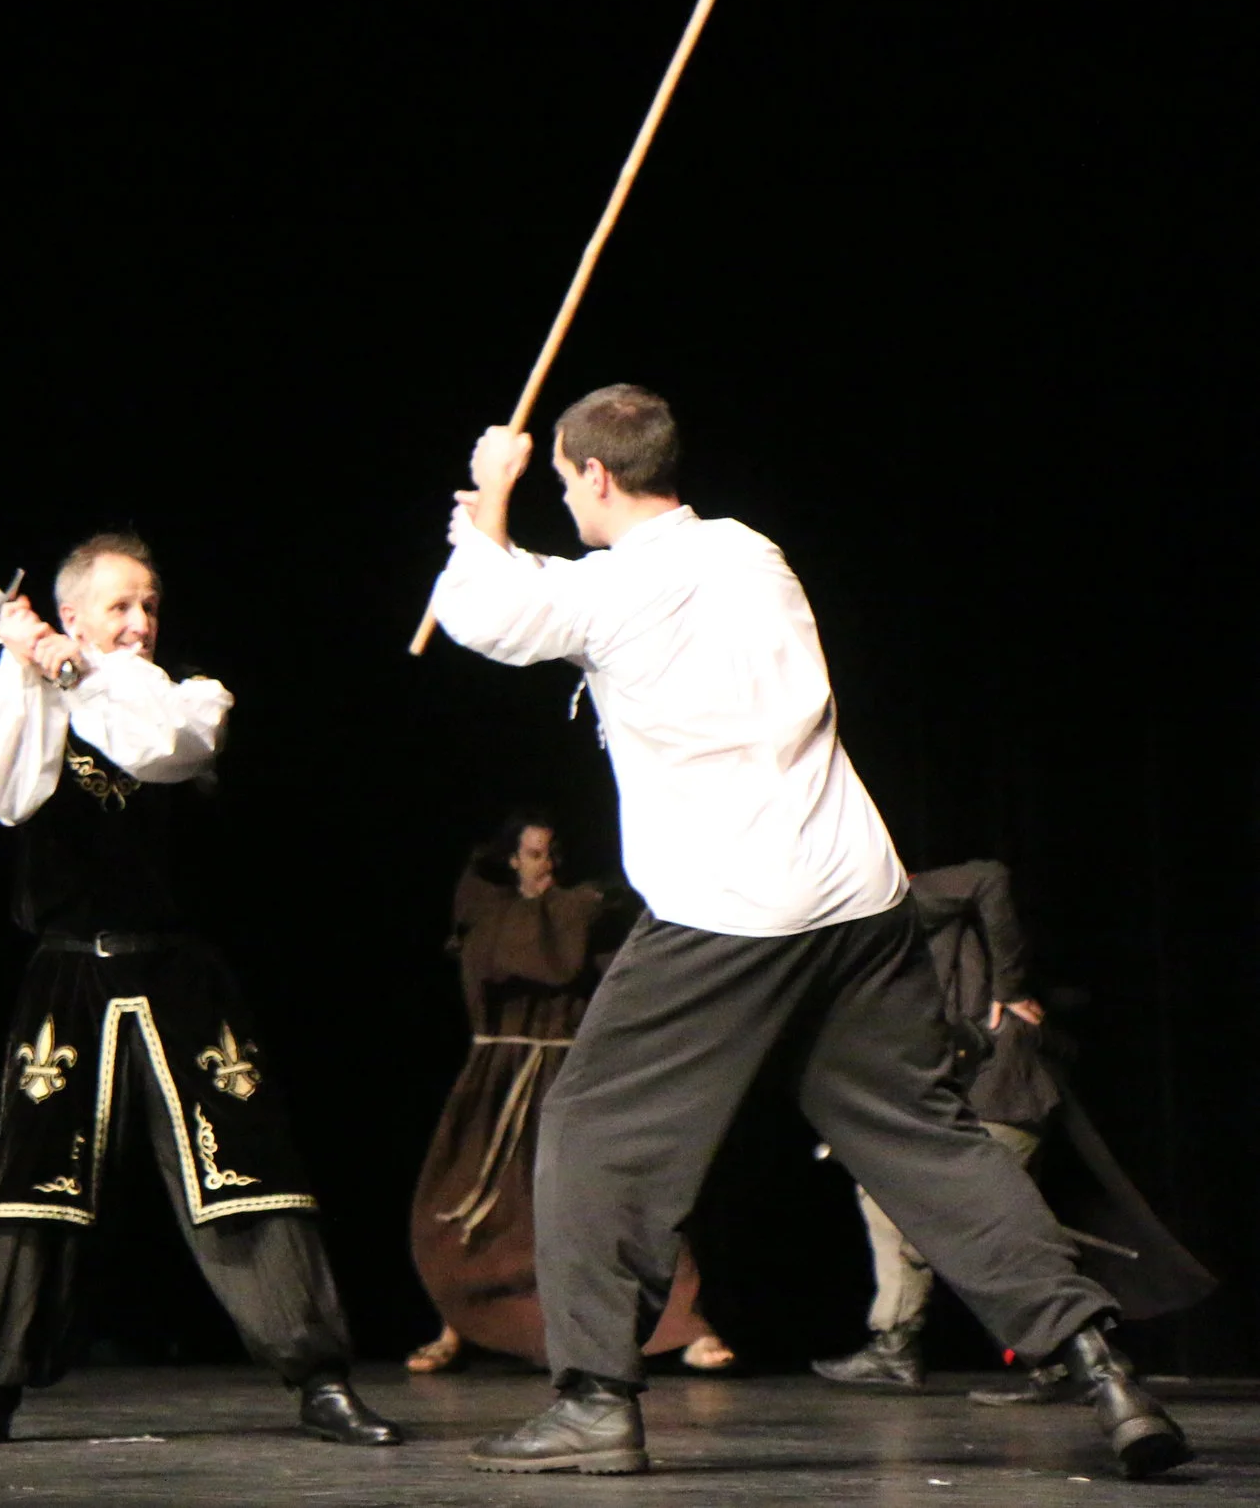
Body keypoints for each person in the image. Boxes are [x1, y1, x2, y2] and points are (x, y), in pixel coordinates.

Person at [429, 385, 1188, 1479]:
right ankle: (1099, 1361)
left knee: (593, 1130)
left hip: (728, 910)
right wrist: (500, 527)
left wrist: (488, 498)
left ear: (595, 474)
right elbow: (555, 595)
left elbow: (485, 613)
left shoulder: (614, 590)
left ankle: (594, 1398)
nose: (567, 499)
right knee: (927, 1141)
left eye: (565, 481)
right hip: (855, 899)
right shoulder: (752, 553)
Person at [0, 532, 400, 1448]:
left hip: (180, 975)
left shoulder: (188, 698)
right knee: (35, 1183)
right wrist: (18, 665)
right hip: (69, 975)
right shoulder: (31, 703)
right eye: (119, 606)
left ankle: (320, 1378)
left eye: (149, 604)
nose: (140, 621)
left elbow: (156, 747)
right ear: (73, 615)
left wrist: (74, 668)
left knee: (246, 1171)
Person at [815, 859, 1216, 1398]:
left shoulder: (907, 899)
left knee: (990, 1228)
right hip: (957, 1090)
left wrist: (1009, 987)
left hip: (998, 1090)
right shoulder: (883, 949)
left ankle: (1060, 1358)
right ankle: (897, 1344)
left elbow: (989, 876)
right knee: (885, 1200)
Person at [407, 814, 728, 1376]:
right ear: (513, 860)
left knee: (621, 1197)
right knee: (474, 1206)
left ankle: (685, 1326)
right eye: (535, 854)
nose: (547, 865)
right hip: (500, 1079)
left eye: (553, 854)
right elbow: (517, 957)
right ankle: (456, 1326)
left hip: (573, 1074)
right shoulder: (496, 914)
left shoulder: (587, 914)